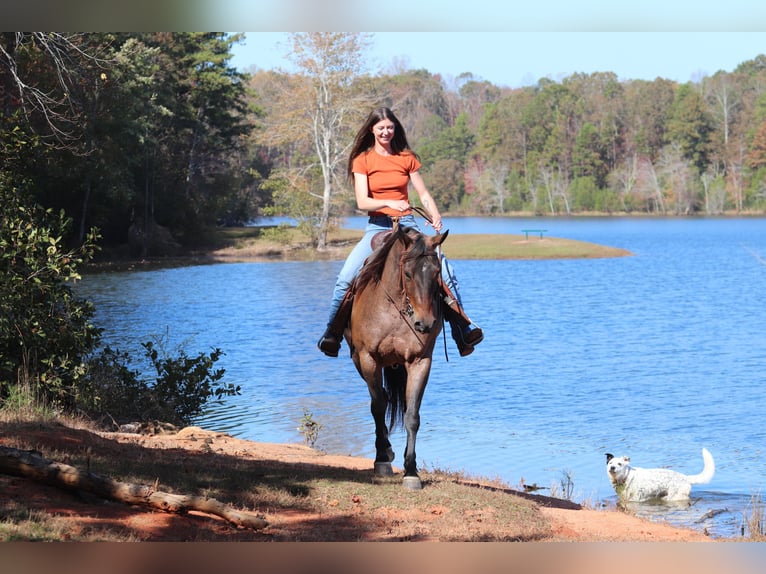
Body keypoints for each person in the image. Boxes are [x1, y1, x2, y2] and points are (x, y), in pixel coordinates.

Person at [317, 107, 483, 358]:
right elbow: (362, 202)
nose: (386, 131)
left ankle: (462, 329)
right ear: (372, 129)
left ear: (395, 129)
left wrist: (435, 215)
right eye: (381, 127)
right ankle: (333, 333)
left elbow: (423, 194)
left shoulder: (407, 157)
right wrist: (390, 204)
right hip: (377, 226)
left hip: (408, 225)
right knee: (345, 277)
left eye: (390, 127)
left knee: (445, 270)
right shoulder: (362, 159)